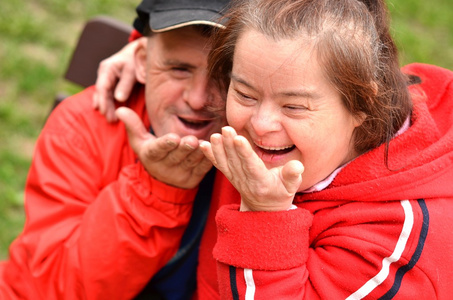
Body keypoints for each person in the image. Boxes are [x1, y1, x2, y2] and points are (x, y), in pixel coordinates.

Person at [194, 0, 453, 298]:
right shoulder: (250, 134)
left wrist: (264, 215)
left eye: (293, 106)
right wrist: (146, 49)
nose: (261, 124)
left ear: (362, 105)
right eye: (245, 94)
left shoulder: (398, 243)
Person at [0, 0, 231, 299]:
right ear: (141, 61)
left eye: (224, 74)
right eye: (179, 69)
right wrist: (156, 192)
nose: (198, 99)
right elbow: (52, 288)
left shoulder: (272, 154)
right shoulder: (83, 125)